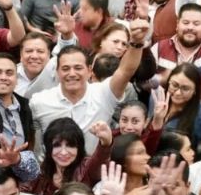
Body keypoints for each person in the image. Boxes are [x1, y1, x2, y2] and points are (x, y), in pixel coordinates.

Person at [29, 21, 149, 157]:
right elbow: (32, 145)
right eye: (65, 68)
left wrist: (137, 41)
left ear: (89, 71)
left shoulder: (104, 94)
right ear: (57, 72)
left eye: (78, 68)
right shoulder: (38, 101)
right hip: (51, 173)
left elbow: (125, 70)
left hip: (90, 173)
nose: (72, 73)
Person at [25, 118, 112, 195]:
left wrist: (106, 142)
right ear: (48, 148)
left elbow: (100, 159)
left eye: (70, 145)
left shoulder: (87, 167)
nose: (63, 152)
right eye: (57, 145)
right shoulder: (41, 171)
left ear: (79, 148)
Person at [155, 62, 201, 157]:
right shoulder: (157, 99)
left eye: (185, 89)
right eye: (174, 85)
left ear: (195, 90)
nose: (178, 93)